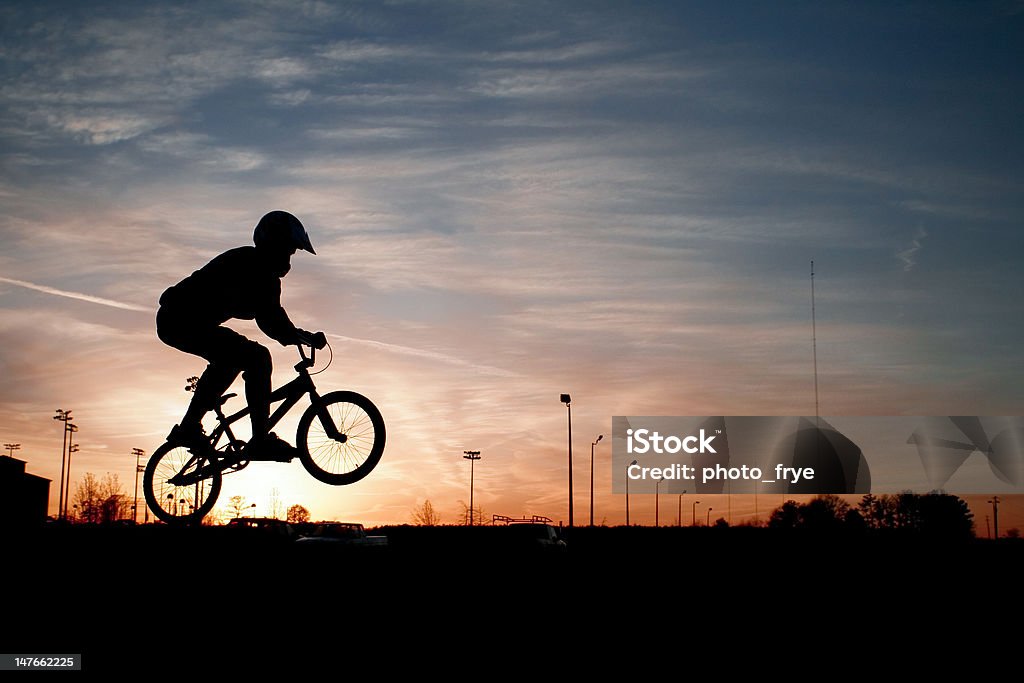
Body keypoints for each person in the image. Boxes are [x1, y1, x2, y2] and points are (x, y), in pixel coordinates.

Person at [156, 210, 326, 459]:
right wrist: (303, 337)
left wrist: (302, 336)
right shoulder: (251, 265)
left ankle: (189, 427)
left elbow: (273, 320)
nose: (290, 257)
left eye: (293, 252)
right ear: (274, 243)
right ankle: (258, 440)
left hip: (187, 321)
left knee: (233, 359)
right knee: (256, 357)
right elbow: (272, 321)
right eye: (288, 249)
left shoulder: (262, 272)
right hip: (179, 318)